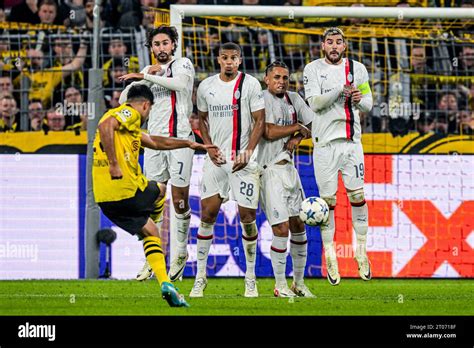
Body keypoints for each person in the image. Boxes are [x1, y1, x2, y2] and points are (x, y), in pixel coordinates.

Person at [93, 84, 214, 308]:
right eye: (148, 111)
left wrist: (187, 143)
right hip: (126, 189)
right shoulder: (127, 113)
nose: (147, 115)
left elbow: (157, 142)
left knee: (150, 232)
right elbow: (105, 125)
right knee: (160, 189)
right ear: (146, 105)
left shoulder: (128, 131)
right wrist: (113, 164)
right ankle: (154, 215)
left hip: (106, 199)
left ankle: (165, 283)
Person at [118, 25, 196, 283]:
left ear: (173, 44)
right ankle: (151, 260)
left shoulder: (182, 64)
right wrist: (142, 76)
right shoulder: (149, 73)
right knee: (153, 200)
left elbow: (180, 85)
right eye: (156, 44)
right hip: (153, 143)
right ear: (150, 48)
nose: (161, 48)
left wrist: (150, 76)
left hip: (180, 141)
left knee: (179, 199)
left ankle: (181, 254)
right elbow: (122, 100)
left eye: (165, 43)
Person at [190, 42, 265, 298]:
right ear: (218, 60)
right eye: (225, 58)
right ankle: (200, 277)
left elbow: (260, 121)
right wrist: (208, 146)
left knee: (247, 217)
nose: (229, 62)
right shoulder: (206, 87)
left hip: (243, 160)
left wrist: (249, 151)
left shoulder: (251, 84)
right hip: (217, 160)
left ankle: (251, 277)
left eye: (234, 57)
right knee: (208, 213)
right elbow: (202, 119)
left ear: (240, 60)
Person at [303, 27, 373, 286]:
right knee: (327, 204)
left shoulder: (358, 69)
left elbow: (369, 104)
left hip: (352, 144)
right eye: (329, 42)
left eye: (338, 42)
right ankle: (331, 256)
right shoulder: (312, 69)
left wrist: (358, 98)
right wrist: (341, 91)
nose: (334, 46)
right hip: (324, 145)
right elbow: (315, 103)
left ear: (345, 46)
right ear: (322, 46)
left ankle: (362, 252)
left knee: (358, 197)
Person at [258, 61, 315, 297]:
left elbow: (312, 124)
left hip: (289, 169)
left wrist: (297, 138)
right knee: (280, 229)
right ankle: (280, 285)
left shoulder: (294, 98)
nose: (281, 81)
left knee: (298, 225)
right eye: (277, 77)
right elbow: (268, 132)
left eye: (285, 78)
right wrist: (297, 128)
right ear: (266, 79)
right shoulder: (260, 99)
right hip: (267, 170)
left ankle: (298, 283)